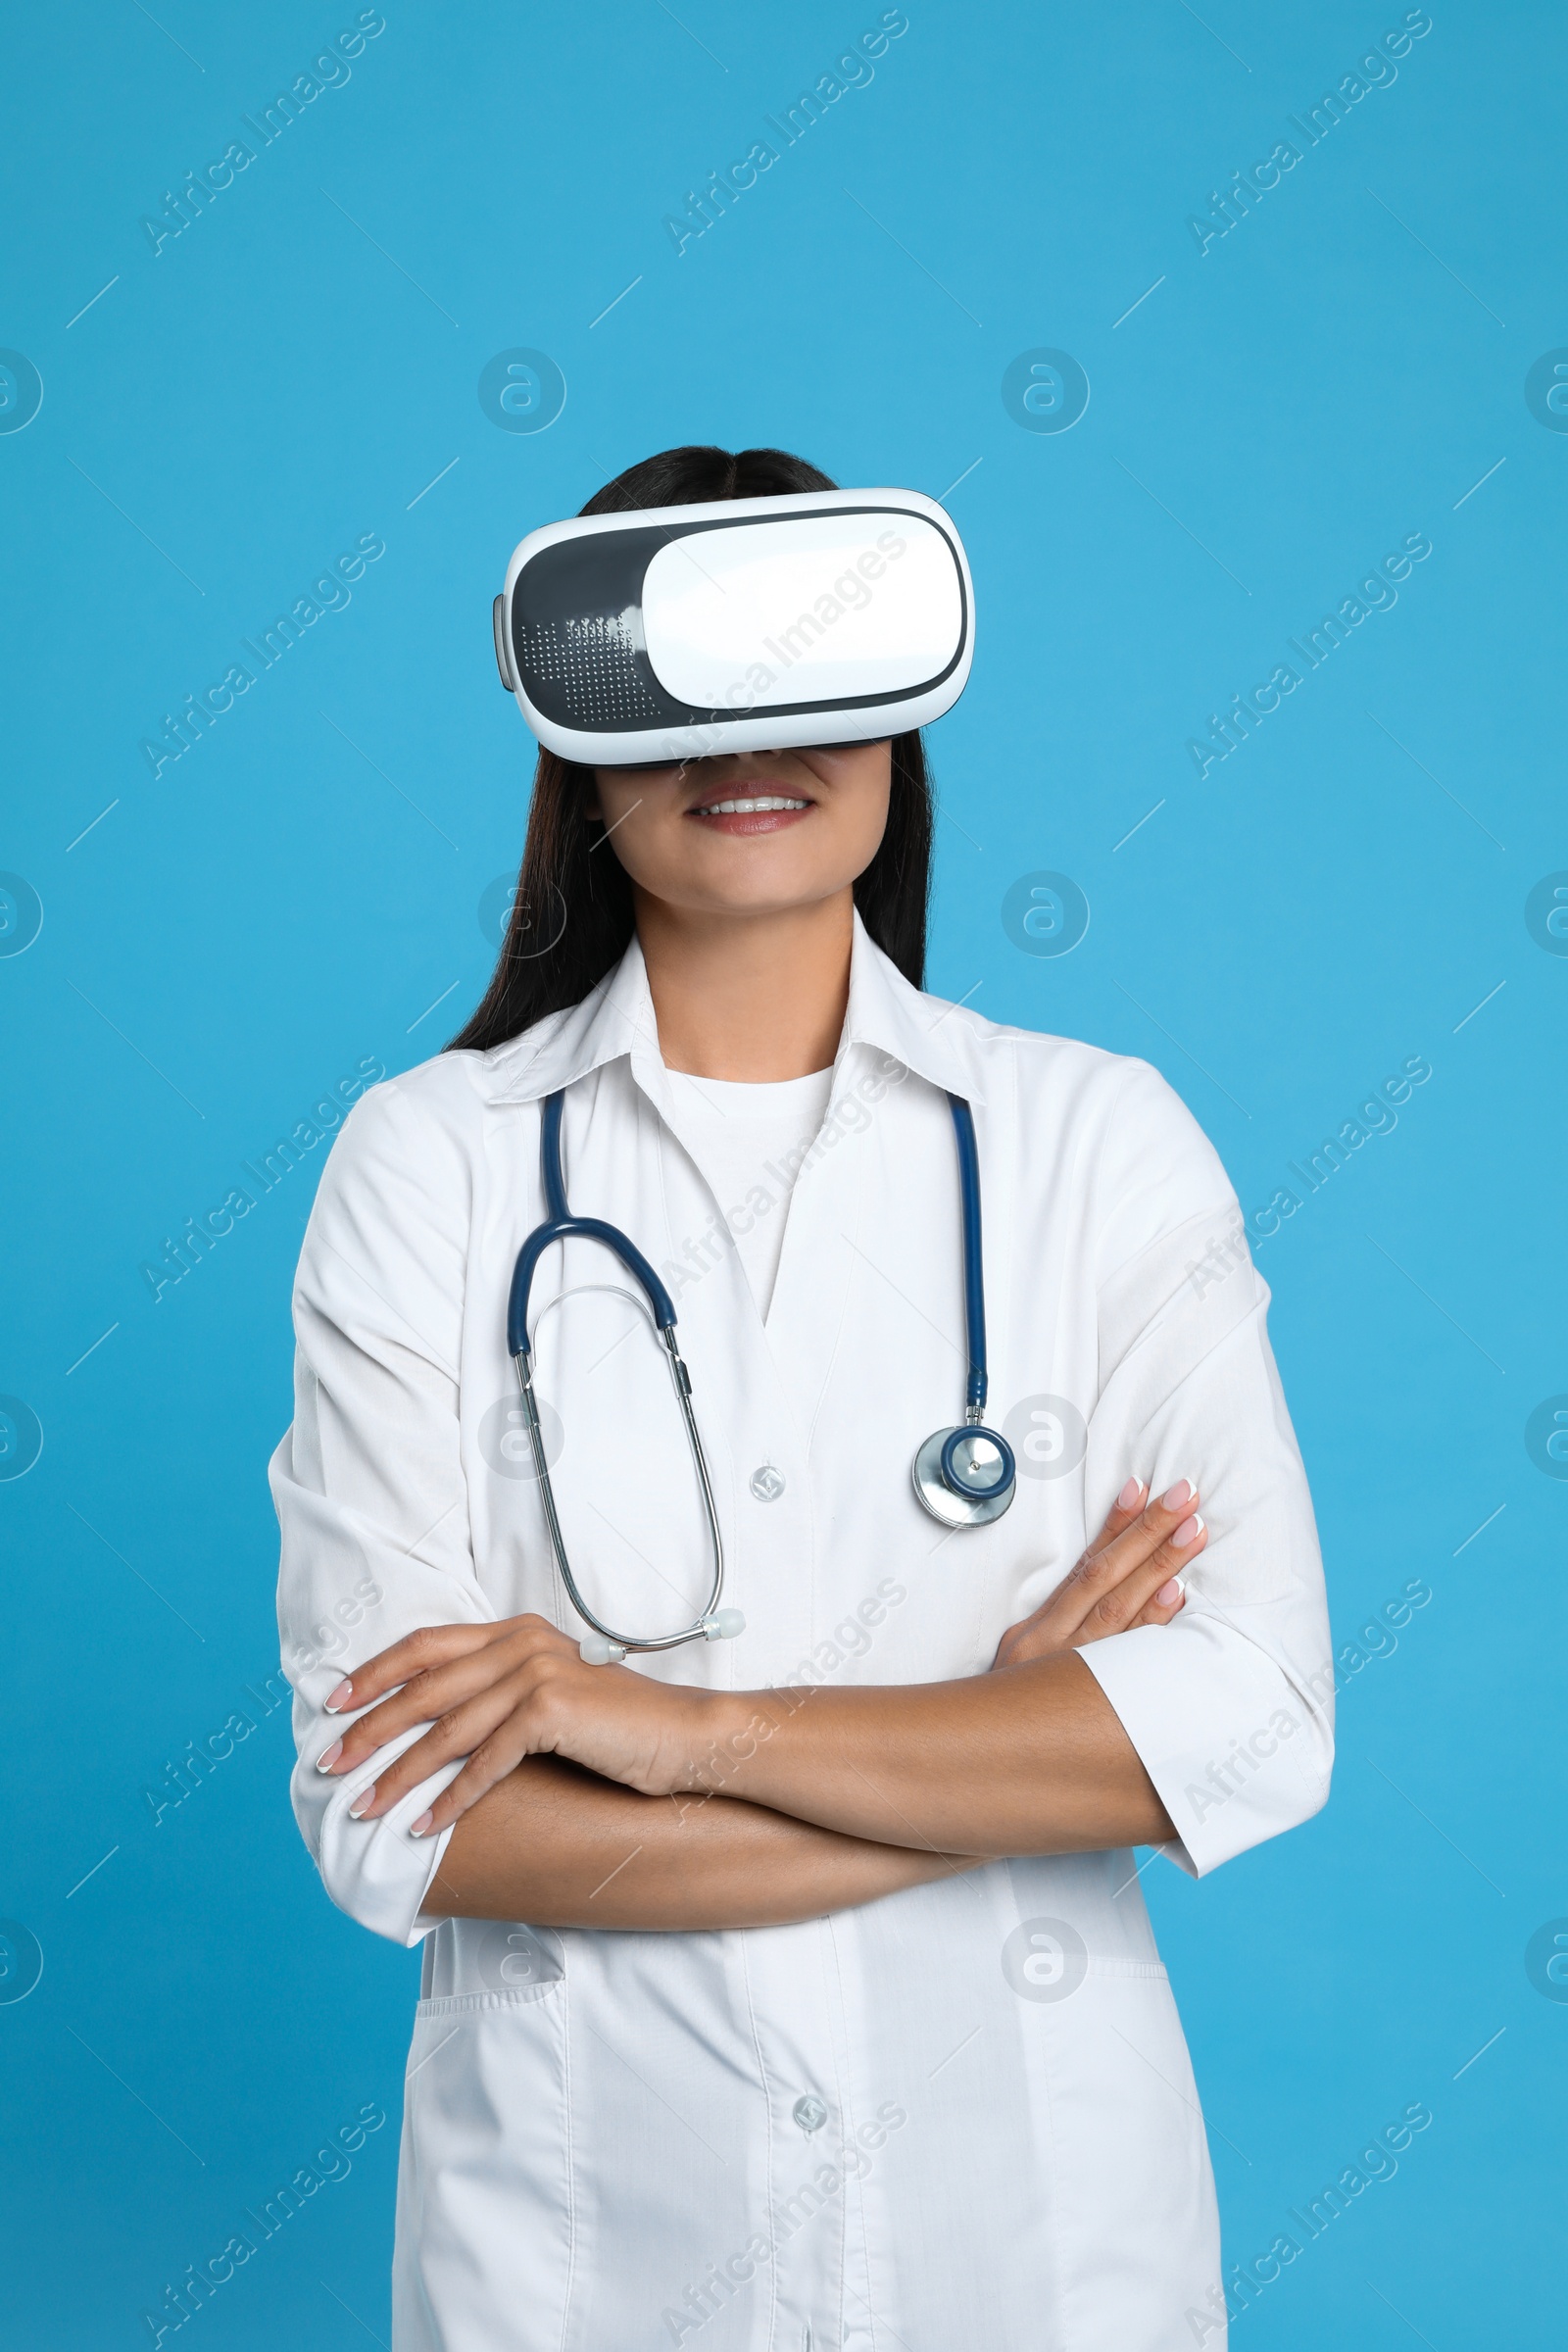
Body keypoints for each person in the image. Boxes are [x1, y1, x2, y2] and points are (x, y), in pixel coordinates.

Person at [272, 443, 1333, 2351]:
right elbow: (399, 1828)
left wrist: (656, 1729)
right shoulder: (428, 1164)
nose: (746, 737)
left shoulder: (1093, 1144)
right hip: (584, 2260)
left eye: (811, 661)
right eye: (676, 680)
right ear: (569, 724)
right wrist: (1004, 1744)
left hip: (1031, 2247)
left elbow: (1250, 1727)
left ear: (903, 703)